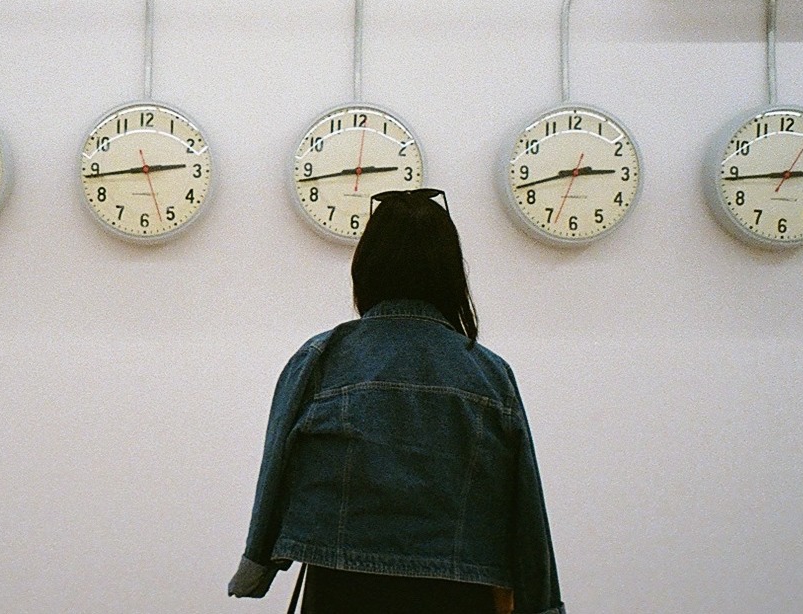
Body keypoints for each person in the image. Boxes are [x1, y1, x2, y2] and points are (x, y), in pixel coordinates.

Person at [227, 189, 564, 614]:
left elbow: (276, 466)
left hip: (341, 589)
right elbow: (525, 504)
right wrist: (542, 602)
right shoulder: (489, 374)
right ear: (450, 272)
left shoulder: (322, 357)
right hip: (459, 595)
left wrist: (259, 562)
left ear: (365, 267)